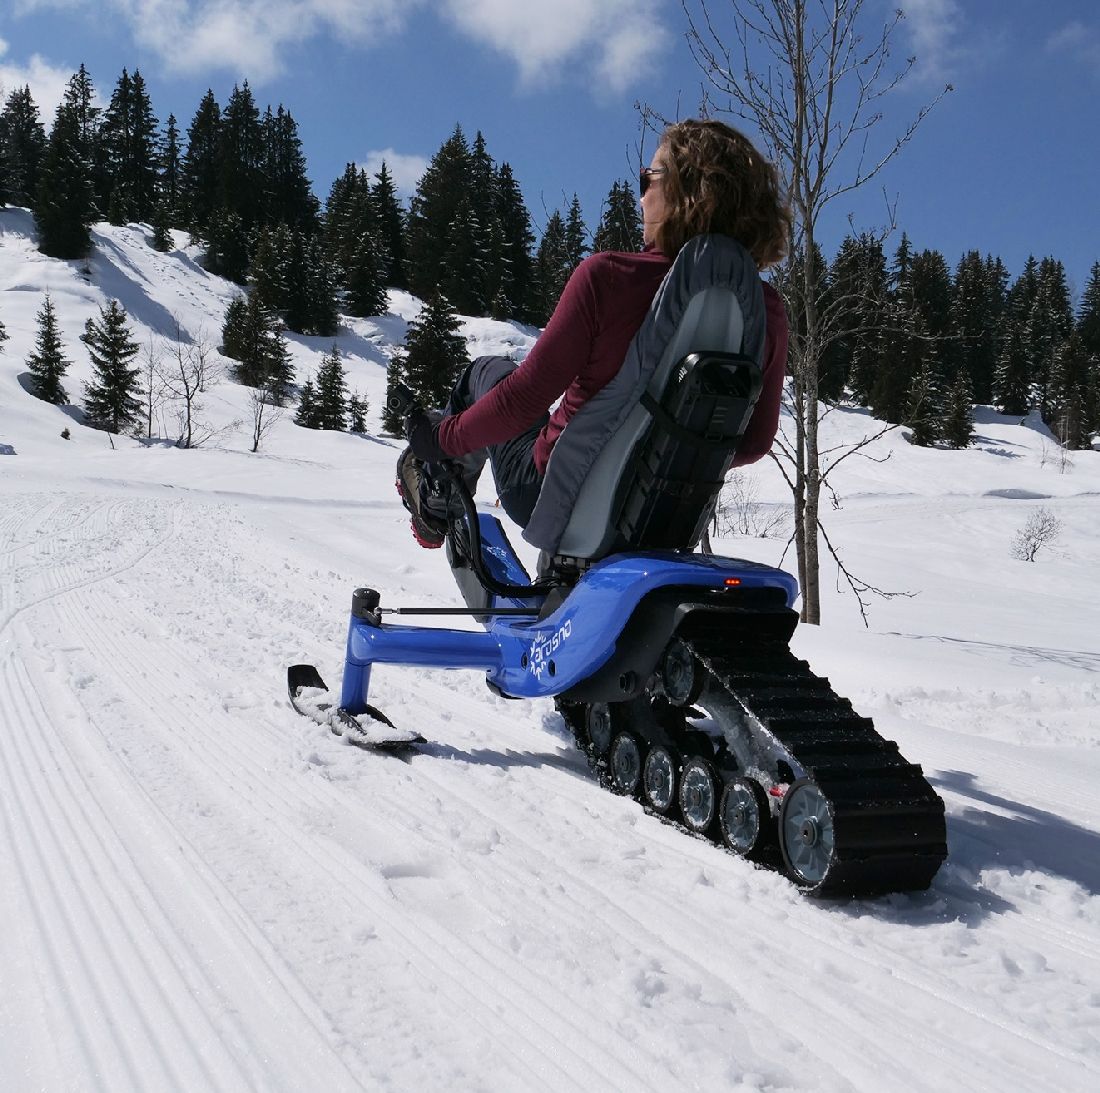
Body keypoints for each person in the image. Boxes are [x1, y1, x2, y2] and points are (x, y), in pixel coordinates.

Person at [398, 118, 791, 549]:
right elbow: (753, 442)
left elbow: (522, 399)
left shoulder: (608, 277)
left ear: (685, 192)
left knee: (486, 372)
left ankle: (435, 500)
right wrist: (662, 461)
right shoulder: (767, 313)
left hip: (552, 498)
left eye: (649, 178)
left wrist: (437, 439)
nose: (641, 196)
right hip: (662, 520)